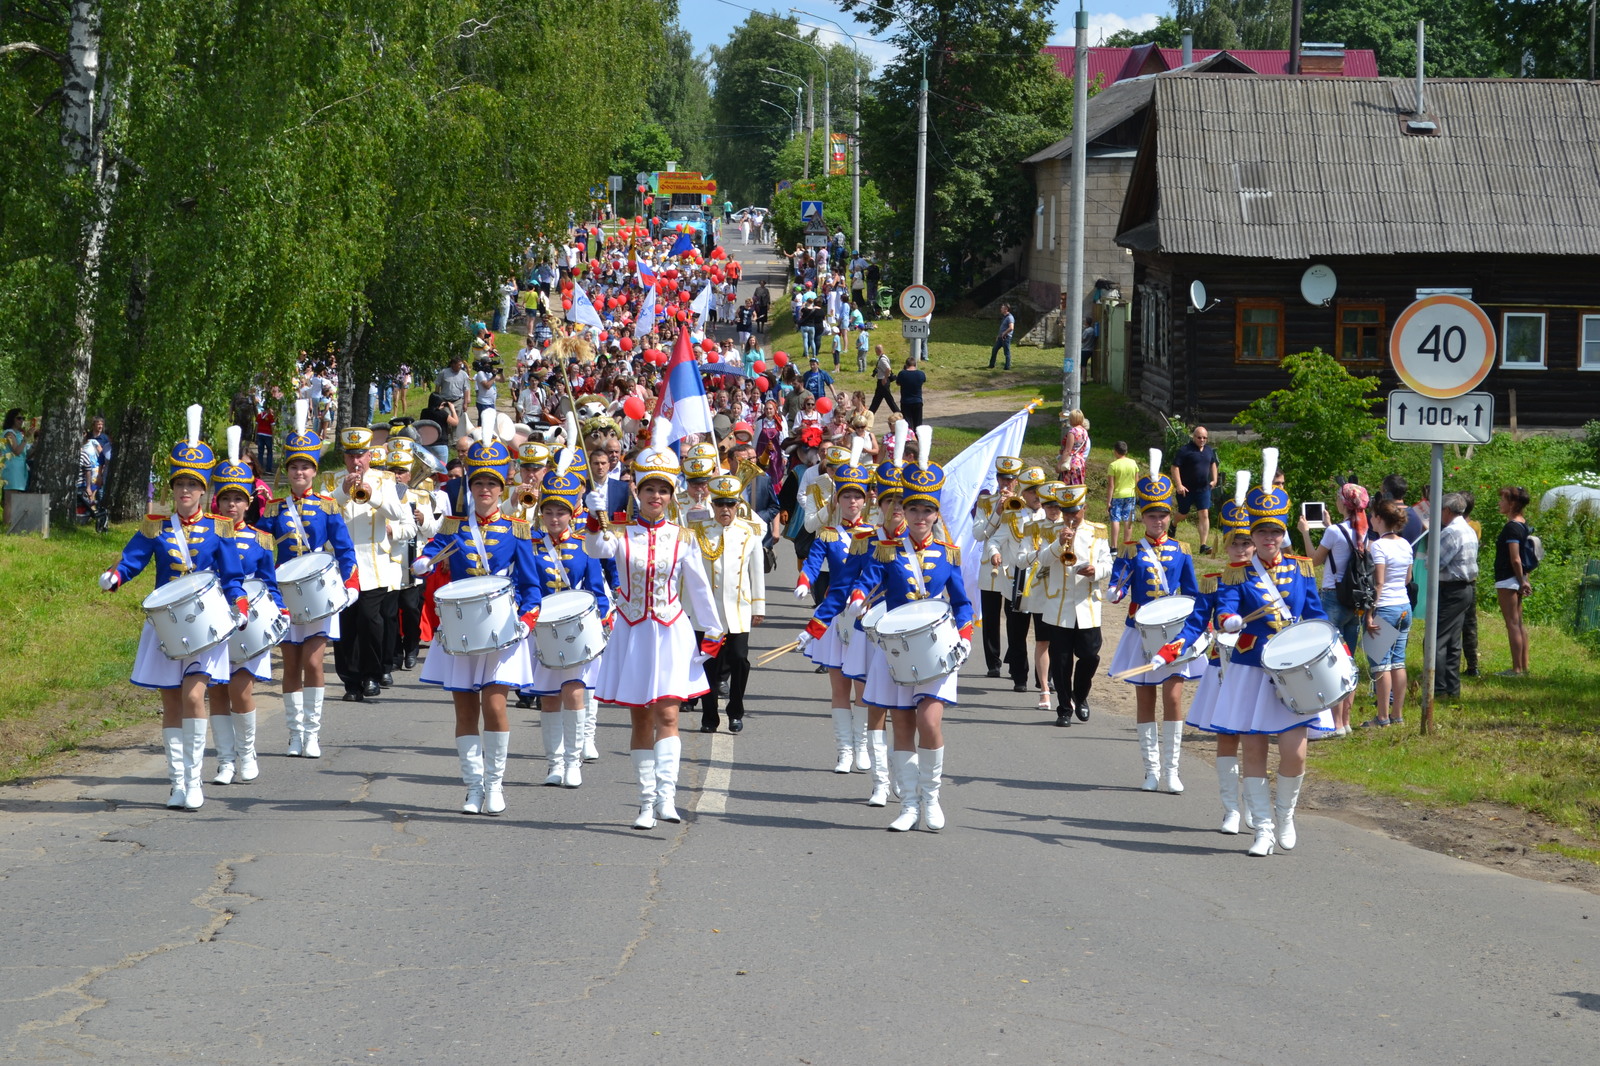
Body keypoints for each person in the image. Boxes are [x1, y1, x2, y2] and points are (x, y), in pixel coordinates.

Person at [804, 426, 974, 832]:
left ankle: (931, 799)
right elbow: (864, 579)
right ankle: (909, 805)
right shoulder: (885, 548)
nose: (918, 517)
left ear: (935, 513)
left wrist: (966, 637)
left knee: (929, 722)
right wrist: (858, 599)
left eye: (925, 511)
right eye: (912, 510)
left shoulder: (948, 553)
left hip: (935, 651)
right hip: (894, 650)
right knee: (902, 725)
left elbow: (964, 603)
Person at [98, 406, 248, 810]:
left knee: (195, 697)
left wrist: (240, 603)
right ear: (173, 488)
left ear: (203, 491)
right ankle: (177, 781)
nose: (185, 492)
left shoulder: (220, 527)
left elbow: (233, 576)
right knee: (170, 703)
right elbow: (133, 560)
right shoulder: (154, 526)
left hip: (205, 624)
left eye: (193, 486)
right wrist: (115, 577)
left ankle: (195, 780)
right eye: (180, 484)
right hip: (166, 626)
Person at [585, 419, 724, 830]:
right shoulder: (621, 532)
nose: (657, 496)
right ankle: (645, 801)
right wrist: (594, 517)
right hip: (632, 632)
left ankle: (667, 797)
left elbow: (698, 588)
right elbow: (596, 550)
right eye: (650, 489)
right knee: (640, 718)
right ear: (638, 492)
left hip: (669, 631)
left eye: (663, 490)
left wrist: (714, 631)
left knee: (669, 715)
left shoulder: (683, 537)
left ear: (671, 493)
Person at [1198, 451, 1335, 856]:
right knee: (1253, 746)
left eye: (1275, 532)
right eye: (1262, 533)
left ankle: (1286, 815)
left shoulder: (1302, 569)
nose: (1269, 539)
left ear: (1282, 534)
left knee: (1295, 750)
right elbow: (1224, 606)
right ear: (1252, 536)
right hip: (1251, 669)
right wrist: (1228, 621)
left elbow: (1314, 613)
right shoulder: (1237, 574)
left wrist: (1329, 639)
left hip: (1292, 671)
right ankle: (1261, 828)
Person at [413, 426, 542, 816]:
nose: (484, 489)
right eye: (478, 482)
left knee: (497, 706)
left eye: (491, 483)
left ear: (502, 488)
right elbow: (429, 556)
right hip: (460, 628)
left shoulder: (517, 530)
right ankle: (472, 787)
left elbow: (531, 588)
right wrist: (422, 562)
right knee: (465, 710)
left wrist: (526, 621)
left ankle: (495, 784)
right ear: (469, 485)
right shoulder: (454, 527)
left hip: (503, 631)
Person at [258, 402, 358, 757]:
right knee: (291, 663)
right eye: (294, 466)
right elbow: (257, 549)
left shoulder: (329, 506)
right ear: (287, 471)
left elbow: (345, 550)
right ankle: (294, 731)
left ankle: (312, 732)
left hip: (317, 594)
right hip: (285, 596)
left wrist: (347, 585)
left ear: (314, 471)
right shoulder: (274, 508)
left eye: (306, 466)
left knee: (314, 662)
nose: (300, 471)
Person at [1105, 449, 1202, 793]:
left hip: (1173, 632)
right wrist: (1116, 583)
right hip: (1140, 633)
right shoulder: (1130, 551)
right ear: (1142, 517)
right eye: (1151, 515)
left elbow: (1191, 594)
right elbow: (1114, 594)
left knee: (1173, 698)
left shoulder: (1183, 549)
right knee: (1145, 697)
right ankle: (1151, 769)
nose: (1157, 521)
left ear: (1169, 516)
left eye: (1162, 515)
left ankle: (1173, 770)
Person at [1173, 475, 1256, 832]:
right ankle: (1230, 810)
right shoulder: (1214, 580)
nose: (1240, 549)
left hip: (1255, 669)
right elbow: (1196, 623)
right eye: (1235, 543)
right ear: (1225, 544)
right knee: (1226, 736)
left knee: (1256, 736)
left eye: (1247, 543)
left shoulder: (1269, 579)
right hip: (1221, 667)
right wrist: (1178, 647)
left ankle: (1253, 807)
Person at [206, 427, 285, 786]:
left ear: (249, 501)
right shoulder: (206, 534)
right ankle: (224, 760)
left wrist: (280, 613)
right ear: (217, 502)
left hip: (249, 623)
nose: (232, 505)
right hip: (214, 621)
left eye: (239, 498)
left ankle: (248, 753)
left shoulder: (262, 539)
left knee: (241, 689)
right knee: (218, 691)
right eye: (226, 499)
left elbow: (270, 583)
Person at [524, 454, 609, 788]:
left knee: (574, 693)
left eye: (560, 512)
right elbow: (526, 587)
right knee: (548, 698)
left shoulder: (584, 547)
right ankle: (553, 764)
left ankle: (574, 762)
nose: (554, 518)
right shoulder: (531, 546)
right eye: (548, 512)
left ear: (572, 513)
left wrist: (602, 616)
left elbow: (596, 588)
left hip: (577, 631)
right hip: (544, 629)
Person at [797, 447, 874, 778]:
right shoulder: (828, 533)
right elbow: (814, 563)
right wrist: (804, 581)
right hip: (833, 616)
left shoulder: (874, 536)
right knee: (839, 686)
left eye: (857, 497)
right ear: (838, 500)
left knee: (863, 688)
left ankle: (863, 747)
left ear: (865, 501)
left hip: (863, 618)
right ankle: (844, 750)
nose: (852, 503)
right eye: (847, 497)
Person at [330, 427, 415, 705]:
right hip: (343, 569)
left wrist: (373, 495)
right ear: (345, 457)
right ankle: (350, 681)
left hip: (375, 565)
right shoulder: (332, 481)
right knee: (347, 627)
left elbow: (397, 513)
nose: (357, 461)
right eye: (351, 455)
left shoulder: (385, 480)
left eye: (361, 455)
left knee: (371, 621)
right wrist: (342, 494)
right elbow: (320, 513)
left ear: (369, 456)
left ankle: (371, 675)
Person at [1020, 483, 1110, 726]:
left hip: (1087, 605)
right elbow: (1040, 561)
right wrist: (1059, 543)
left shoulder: (1098, 531)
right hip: (1058, 605)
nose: (1070, 517)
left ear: (1084, 508)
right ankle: (1063, 709)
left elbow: (1108, 563)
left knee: (1090, 656)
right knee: (1061, 661)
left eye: (1075, 511)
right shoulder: (1050, 531)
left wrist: (1097, 571)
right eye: (1066, 511)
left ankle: (1080, 696)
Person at [687, 474, 766, 734]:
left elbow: (756, 571)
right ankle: (709, 716)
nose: (724, 510)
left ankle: (736, 711)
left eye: (730, 505)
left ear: (737, 506)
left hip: (738, 610)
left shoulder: (749, 532)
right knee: (708, 662)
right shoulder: (700, 531)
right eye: (719, 504)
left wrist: (758, 607)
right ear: (713, 505)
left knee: (740, 659)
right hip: (707, 613)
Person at [1299, 481, 1369, 736]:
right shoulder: (1364, 528)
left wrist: (1306, 532)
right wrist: (1330, 526)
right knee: (1348, 658)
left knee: (1329, 660)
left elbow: (1313, 562)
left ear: (1343, 503)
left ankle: (1334, 723)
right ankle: (1346, 721)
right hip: (1356, 600)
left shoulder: (1334, 532)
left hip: (1333, 596)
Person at [985, 465, 1049, 695]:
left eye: (1040, 490)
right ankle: (1019, 676)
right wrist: (995, 554)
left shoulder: (1051, 515)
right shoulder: (1013, 516)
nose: (1037, 495)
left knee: (1045, 634)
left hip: (1043, 583)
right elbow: (994, 540)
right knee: (1017, 633)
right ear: (1023, 492)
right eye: (1032, 491)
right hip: (1018, 582)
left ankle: (1044, 678)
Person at [1361, 498, 1414, 728]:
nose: (1371, 519)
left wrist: (1370, 612)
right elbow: (1408, 578)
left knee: (1381, 665)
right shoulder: (1405, 544)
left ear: (1380, 519)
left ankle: (1382, 717)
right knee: (1398, 662)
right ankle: (1397, 715)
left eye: (1373, 516)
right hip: (1404, 606)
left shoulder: (1378, 546)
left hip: (1385, 607)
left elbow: (1378, 583)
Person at [974, 456, 1024, 678]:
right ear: (997, 478)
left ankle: (1015, 659)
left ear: (1016, 481)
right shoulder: (985, 503)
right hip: (991, 567)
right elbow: (978, 534)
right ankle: (993, 662)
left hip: (1014, 566)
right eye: (1003, 479)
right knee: (991, 617)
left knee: (1015, 616)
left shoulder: (1023, 505)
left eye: (1011, 480)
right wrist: (996, 511)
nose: (1006, 484)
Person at [1434, 492, 1480, 700]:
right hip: (1465, 589)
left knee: (1437, 640)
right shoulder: (1468, 529)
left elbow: (1434, 563)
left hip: (1451, 589)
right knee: (1453, 642)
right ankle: (1452, 689)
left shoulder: (1451, 532)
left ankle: (1439, 688)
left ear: (1446, 510)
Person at [1493, 485, 1533, 677]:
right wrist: (1524, 579)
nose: (1500, 503)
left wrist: (1521, 581)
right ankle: (1523, 667)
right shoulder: (1522, 523)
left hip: (1508, 579)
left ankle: (1516, 669)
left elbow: (1515, 558)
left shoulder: (1512, 528)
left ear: (1513, 504)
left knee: (1512, 624)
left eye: (1503, 500)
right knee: (1518, 623)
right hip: (1517, 578)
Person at [1171, 426, 1219, 552]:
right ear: (1194, 437)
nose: (1202, 440)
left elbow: (1213, 464)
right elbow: (1175, 467)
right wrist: (1179, 485)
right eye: (1199, 437)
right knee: (1183, 513)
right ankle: (1173, 524)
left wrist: (1214, 479)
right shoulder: (1185, 450)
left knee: (1204, 514)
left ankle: (1203, 545)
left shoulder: (1209, 450)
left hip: (1203, 489)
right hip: (1186, 489)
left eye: (1204, 438)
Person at [3, 408, 35, 530]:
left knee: (16, 497)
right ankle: (6, 526)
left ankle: (13, 524)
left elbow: (24, 454)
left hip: (20, 468)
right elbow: (16, 450)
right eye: (19, 418)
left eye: (23, 418)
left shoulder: (18, 434)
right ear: (12, 419)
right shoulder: (9, 433)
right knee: (10, 499)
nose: (21, 421)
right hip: (11, 467)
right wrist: (26, 438)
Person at [1105, 441, 1138, 551]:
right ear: (1126, 451)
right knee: (1128, 519)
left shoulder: (1113, 465)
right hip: (1131, 495)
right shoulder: (1133, 463)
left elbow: (1111, 485)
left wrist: (1108, 501)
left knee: (1115, 519)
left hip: (1118, 495)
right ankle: (1126, 545)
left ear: (1115, 451)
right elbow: (1137, 480)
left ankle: (1114, 546)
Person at [1057, 409, 1090, 487]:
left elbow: (1068, 450)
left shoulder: (1072, 432)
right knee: (1078, 487)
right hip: (1081, 462)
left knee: (1069, 488)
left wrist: (1060, 464)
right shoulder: (1084, 431)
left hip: (1071, 462)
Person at [895, 355, 926, 429]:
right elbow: (923, 381)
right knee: (918, 424)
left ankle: (910, 438)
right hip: (917, 401)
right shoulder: (921, 374)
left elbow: (898, 383)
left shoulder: (902, 374)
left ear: (906, 365)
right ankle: (917, 438)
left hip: (906, 402)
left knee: (908, 424)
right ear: (915, 364)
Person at [868, 345, 899, 415]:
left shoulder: (882, 359)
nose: (875, 352)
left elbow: (888, 369)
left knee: (889, 400)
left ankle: (898, 413)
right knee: (876, 400)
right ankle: (870, 413)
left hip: (883, 381)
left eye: (876, 350)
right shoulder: (883, 357)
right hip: (881, 381)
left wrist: (885, 378)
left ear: (878, 351)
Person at [990, 303, 1014, 370]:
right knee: (994, 349)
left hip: (1006, 338)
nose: (1001, 309)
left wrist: (1004, 333)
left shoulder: (1010, 317)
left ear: (1006, 309)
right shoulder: (1004, 317)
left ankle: (1007, 367)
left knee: (1006, 352)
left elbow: (1011, 328)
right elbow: (1003, 328)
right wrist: (999, 335)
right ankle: (991, 365)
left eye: (1002, 308)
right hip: (1001, 337)